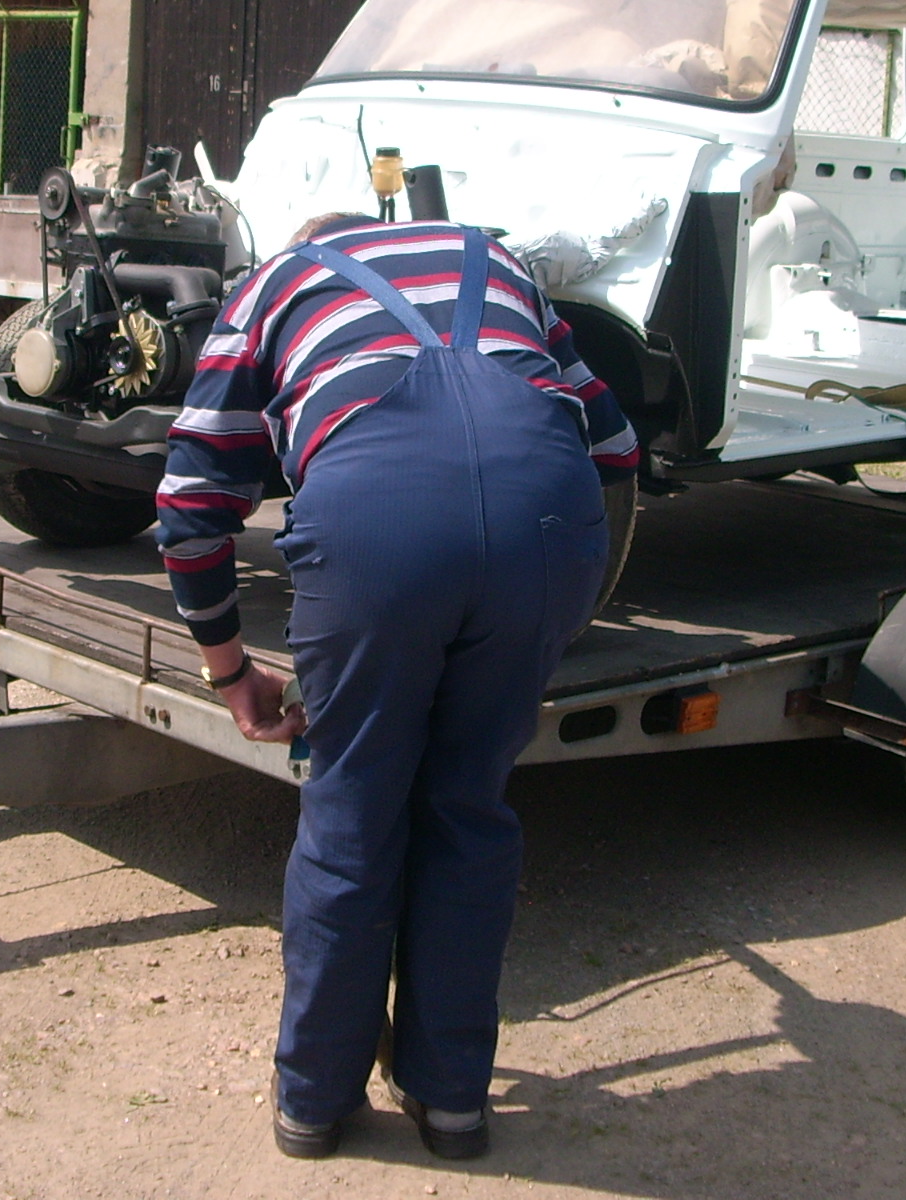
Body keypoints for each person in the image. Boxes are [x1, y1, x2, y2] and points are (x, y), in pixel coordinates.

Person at [156, 214, 640, 1160]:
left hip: (378, 531)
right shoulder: (496, 258)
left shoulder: (275, 282)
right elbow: (615, 444)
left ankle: (314, 1104)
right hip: (548, 526)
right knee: (467, 806)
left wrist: (229, 668)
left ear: (311, 242)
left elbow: (191, 502)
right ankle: (452, 1101)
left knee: (352, 812)